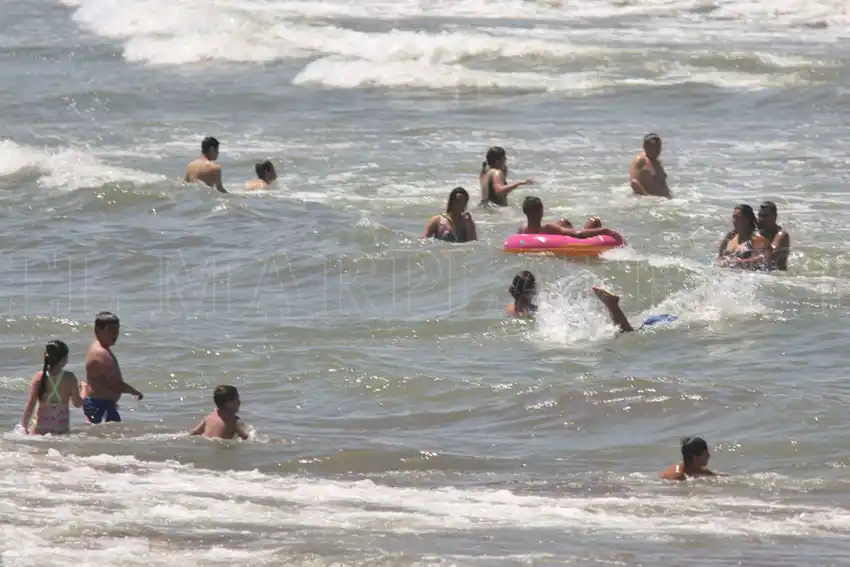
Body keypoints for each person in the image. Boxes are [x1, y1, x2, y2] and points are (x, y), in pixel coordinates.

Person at [82, 311, 143, 424]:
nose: (115, 334)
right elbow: (116, 385)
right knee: (110, 432)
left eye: (117, 330)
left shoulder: (100, 347)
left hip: (100, 403)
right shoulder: (101, 354)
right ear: (98, 330)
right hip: (99, 405)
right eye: (110, 330)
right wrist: (134, 391)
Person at [19, 340, 83, 435]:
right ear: (62, 360)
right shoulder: (69, 378)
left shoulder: (39, 377)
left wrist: (23, 426)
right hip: (61, 430)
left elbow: (31, 404)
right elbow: (77, 403)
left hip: (40, 429)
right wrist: (84, 390)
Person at [518, 196, 620, 240]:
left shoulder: (522, 229)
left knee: (563, 222)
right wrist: (605, 230)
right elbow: (577, 234)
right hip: (567, 232)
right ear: (541, 211)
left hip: (564, 232)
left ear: (524, 211)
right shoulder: (547, 228)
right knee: (595, 221)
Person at [592, 287, 678, 333]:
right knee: (628, 333)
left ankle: (612, 306)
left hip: (657, 319)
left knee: (627, 332)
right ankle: (612, 305)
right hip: (662, 320)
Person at [717, 204, 771, 271]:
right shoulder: (730, 236)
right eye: (733, 217)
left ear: (747, 219)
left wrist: (739, 262)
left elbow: (765, 258)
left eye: (738, 218)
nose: (734, 220)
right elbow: (720, 255)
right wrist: (720, 261)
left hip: (750, 275)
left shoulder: (756, 239)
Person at [629, 133, 671, 198]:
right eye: (654, 147)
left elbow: (663, 183)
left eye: (658, 147)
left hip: (663, 201)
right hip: (649, 201)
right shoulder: (641, 160)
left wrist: (670, 196)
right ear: (645, 147)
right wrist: (649, 199)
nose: (657, 150)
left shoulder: (657, 162)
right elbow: (634, 183)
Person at [757, 201, 790, 271]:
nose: (761, 219)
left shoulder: (781, 234)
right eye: (759, 216)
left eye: (765, 216)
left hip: (778, 274)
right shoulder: (760, 232)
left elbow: (771, 253)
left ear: (775, 216)